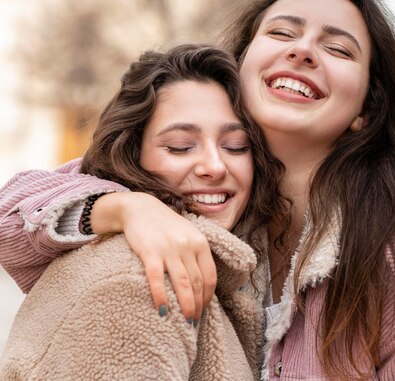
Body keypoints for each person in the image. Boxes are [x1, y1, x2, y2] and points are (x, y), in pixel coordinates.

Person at [0, 0, 395, 379]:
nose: (303, 50)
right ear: (243, 66)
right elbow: (10, 215)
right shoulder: (213, 189)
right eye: (283, 31)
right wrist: (125, 209)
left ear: (366, 111)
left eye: (337, 48)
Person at [0, 44, 281, 380]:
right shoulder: (138, 281)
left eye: (236, 147)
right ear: (132, 156)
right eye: (179, 147)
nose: (214, 166)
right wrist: (124, 207)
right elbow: (11, 214)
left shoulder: (237, 251)